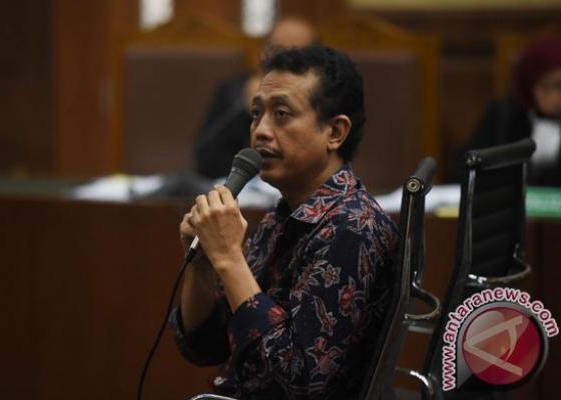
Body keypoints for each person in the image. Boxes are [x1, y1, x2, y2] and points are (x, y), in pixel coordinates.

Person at [170, 45, 398, 400]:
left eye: (281, 114)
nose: (260, 130)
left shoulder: (353, 229)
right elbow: (204, 348)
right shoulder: (283, 215)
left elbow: (291, 383)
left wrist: (229, 259)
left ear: (335, 132)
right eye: (256, 114)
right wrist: (201, 266)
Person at [192, 17, 318, 179]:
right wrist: (247, 107)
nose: (283, 61)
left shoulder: (322, 98)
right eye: (277, 49)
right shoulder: (234, 91)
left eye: (295, 54)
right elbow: (203, 160)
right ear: (263, 52)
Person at [450, 36, 561, 185]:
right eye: (550, 86)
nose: (557, 96)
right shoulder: (504, 115)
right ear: (529, 84)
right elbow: (466, 166)